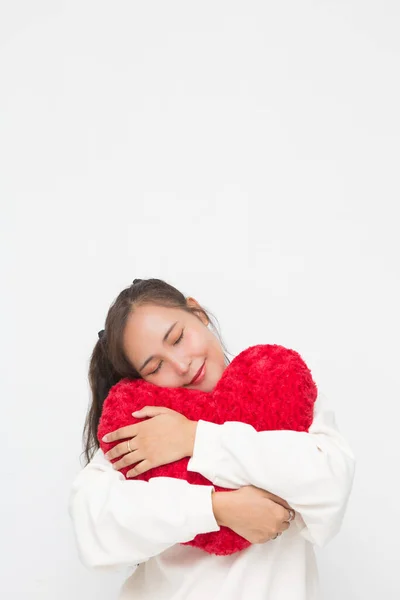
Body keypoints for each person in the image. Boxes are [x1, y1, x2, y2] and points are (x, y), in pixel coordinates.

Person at [69, 278, 356, 600]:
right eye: (155, 366)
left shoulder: (282, 390)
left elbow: (330, 482)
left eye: (177, 338)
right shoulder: (145, 424)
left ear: (198, 313)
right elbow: (95, 526)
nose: (180, 364)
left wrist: (196, 439)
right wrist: (216, 509)